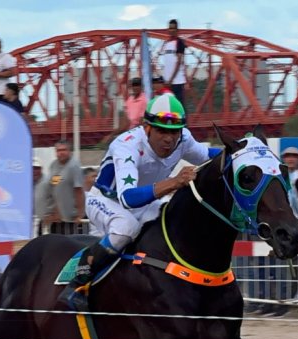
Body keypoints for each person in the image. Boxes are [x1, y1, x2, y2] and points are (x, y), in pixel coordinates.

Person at [58, 93, 221, 311]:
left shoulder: (184, 139)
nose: (169, 139)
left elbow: (211, 155)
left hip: (146, 202)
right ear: (147, 128)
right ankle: (77, 282)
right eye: (161, 131)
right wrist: (174, 182)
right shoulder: (127, 145)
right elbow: (128, 198)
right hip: (107, 200)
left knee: (176, 222)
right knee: (127, 228)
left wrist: (242, 150)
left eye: (174, 132)